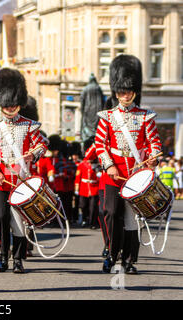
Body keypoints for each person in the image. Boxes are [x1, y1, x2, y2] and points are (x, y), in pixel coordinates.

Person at [95, 54, 162, 274]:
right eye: (122, 91)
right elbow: (100, 145)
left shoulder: (146, 116)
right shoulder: (107, 116)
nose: (125, 95)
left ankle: (129, 260)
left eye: (129, 91)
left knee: (133, 219)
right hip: (114, 174)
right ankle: (112, 255)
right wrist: (109, 166)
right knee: (112, 212)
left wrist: (152, 160)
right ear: (116, 92)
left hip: (136, 174)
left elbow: (154, 143)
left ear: (134, 92)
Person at [0, 68, 49, 274]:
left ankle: (18, 258)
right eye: (7, 104)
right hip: (1, 179)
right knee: (0, 217)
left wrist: (34, 154)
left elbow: (41, 145)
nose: (10, 107)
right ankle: (4, 253)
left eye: (14, 104)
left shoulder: (29, 126)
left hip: (22, 180)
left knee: (20, 220)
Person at [74, 139, 100, 229]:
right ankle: (84, 219)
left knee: (93, 207)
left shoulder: (97, 164)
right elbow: (78, 177)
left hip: (94, 188)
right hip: (84, 188)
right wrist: (77, 189)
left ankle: (92, 222)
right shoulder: (82, 164)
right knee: (83, 206)